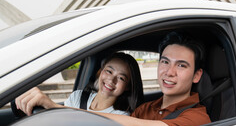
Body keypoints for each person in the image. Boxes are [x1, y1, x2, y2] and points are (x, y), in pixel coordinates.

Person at [97, 31, 211, 126]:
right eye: (165, 62)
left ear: (196, 75)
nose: (169, 72)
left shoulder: (197, 118)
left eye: (181, 65)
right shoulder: (144, 109)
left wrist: (80, 116)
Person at [15, 52, 144, 115]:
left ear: (127, 86)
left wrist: (50, 104)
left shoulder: (122, 115)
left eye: (121, 78)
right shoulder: (78, 96)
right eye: (109, 71)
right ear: (100, 72)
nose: (112, 80)